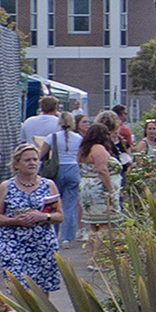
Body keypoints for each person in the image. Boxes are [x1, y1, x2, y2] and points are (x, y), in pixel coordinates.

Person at [0, 143, 63, 293]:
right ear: (16, 164)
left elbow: (59, 216)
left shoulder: (49, 185)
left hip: (42, 245)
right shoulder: (6, 186)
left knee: (42, 289)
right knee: (19, 288)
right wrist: (15, 221)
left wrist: (42, 216)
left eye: (35, 159)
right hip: (14, 244)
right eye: (27, 160)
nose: (32, 163)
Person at [77, 122, 122, 261]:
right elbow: (102, 170)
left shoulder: (84, 149)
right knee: (105, 225)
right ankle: (98, 257)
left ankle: (92, 254)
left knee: (93, 226)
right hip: (99, 190)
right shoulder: (99, 149)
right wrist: (111, 190)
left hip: (85, 188)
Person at [38, 111, 81, 246]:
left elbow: (40, 155)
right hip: (73, 169)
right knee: (70, 204)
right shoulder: (79, 138)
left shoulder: (52, 137)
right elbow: (80, 156)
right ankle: (67, 237)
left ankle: (54, 234)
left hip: (56, 170)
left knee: (55, 204)